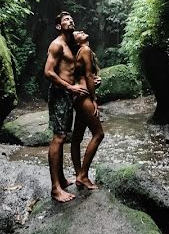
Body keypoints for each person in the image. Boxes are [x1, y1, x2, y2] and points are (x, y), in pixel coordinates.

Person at [44, 11, 89, 202]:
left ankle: (61, 179)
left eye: (71, 19)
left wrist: (94, 79)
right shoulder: (57, 44)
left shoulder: (71, 45)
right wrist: (70, 87)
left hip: (68, 94)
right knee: (59, 137)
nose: (70, 21)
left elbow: (79, 68)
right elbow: (48, 72)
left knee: (64, 136)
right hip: (60, 93)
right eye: (65, 20)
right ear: (58, 26)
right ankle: (55, 189)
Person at [69, 29, 104, 190]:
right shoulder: (85, 50)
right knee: (98, 134)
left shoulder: (79, 53)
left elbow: (85, 75)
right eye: (78, 33)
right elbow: (89, 76)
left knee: (77, 138)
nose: (81, 32)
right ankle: (83, 175)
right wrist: (94, 99)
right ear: (77, 42)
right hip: (85, 98)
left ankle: (79, 175)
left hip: (78, 98)